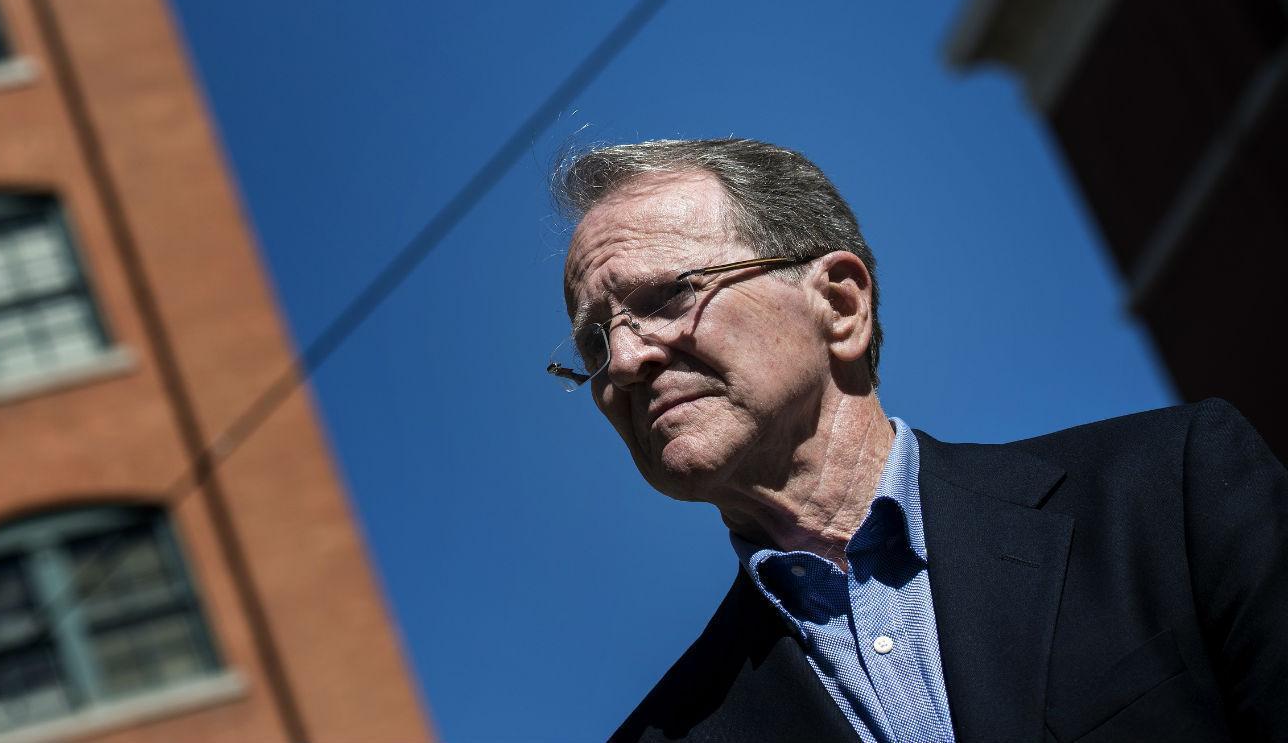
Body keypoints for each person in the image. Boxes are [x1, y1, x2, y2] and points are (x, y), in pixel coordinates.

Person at [547, 137, 1288, 743]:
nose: (630, 359)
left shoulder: (1170, 494)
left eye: (670, 296)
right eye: (595, 342)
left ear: (839, 304)